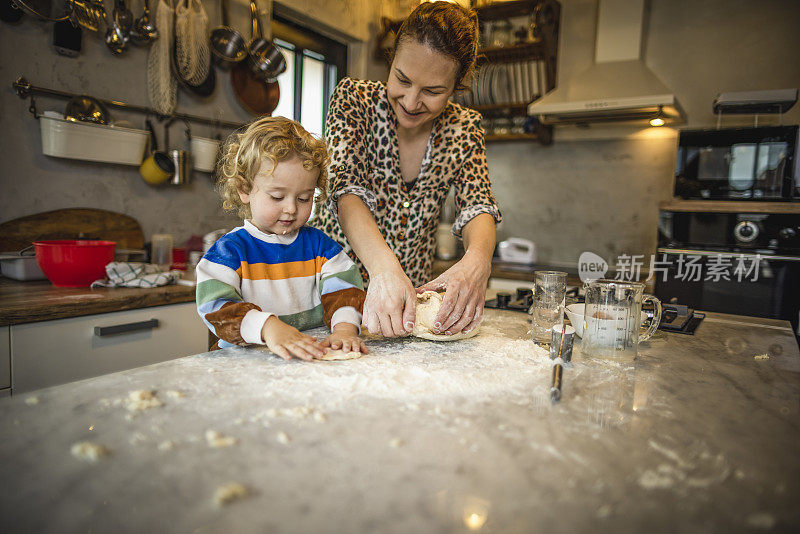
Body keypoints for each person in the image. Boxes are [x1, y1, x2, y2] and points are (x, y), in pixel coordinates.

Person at [314, 1, 501, 339]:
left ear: (457, 85)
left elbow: (478, 206)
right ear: (392, 61)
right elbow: (346, 193)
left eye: (432, 91)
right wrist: (384, 269)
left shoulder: (465, 127)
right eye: (402, 79)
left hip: (406, 314)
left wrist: (478, 261)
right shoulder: (353, 100)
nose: (412, 101)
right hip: (332, 298)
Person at [196, 116, 368, 361]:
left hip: (306, 358)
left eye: (304, 198)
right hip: (242, 364)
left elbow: (345, 290)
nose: (291, 209)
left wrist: (344, 329)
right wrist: (268, 327)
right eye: (277, 197)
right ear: (244, 190)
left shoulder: (320, 247)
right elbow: (215, 308)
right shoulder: (229, 252)